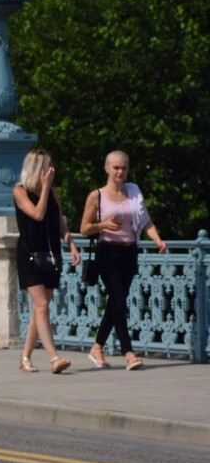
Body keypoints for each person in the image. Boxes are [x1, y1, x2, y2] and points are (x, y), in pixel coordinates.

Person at [78, 150, 167, 370]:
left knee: (116, 302)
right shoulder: (96, 196)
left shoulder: (133, 192)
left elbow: (145, 220)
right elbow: (84, 228)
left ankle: (97, 346)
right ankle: (128, 352)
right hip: (108, 252)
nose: (120, 172)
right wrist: (103, 225)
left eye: (124, 168)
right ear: (106, 168)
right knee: (118, 300)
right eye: (116, 167)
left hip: (129, 252)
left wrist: (157, 239)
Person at [13, 149, 80, 374]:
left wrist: (71, 243)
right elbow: (37, 214)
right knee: (41, 305)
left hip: (50, 254)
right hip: (30, 254)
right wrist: (44, 189)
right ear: (36, 168)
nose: (50, 171)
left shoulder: (53, 192)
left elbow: (59, 221)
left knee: (40, 308)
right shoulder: (19, 191)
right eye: (46, 166)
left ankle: (25, 357)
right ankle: (54, 358)